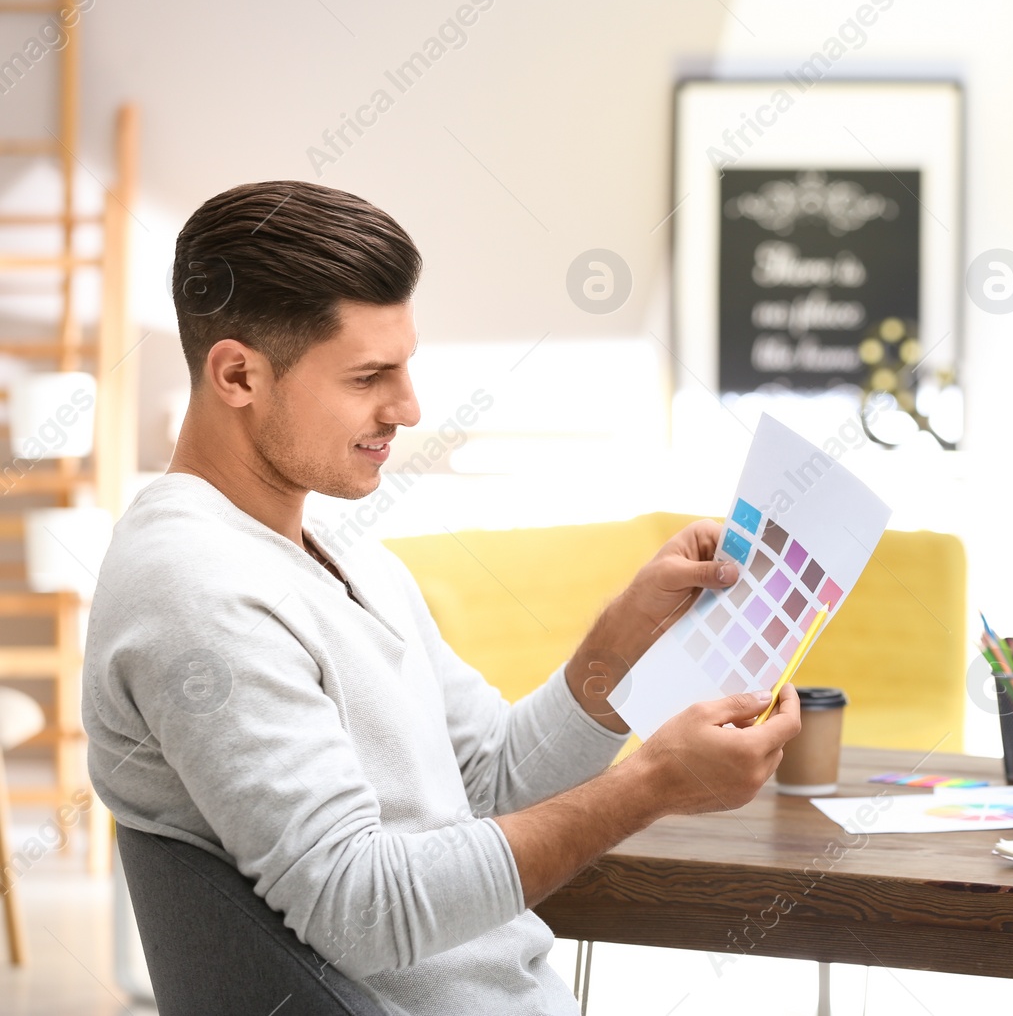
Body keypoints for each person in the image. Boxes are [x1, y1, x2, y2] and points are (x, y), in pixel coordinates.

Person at [82, 181, 801, 1014]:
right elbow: (362, 909)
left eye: (407, 363)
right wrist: (651, 785)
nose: (409, 406)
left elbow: (488, 781)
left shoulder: (342, 554)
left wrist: (620, 641)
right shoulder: (194, 590)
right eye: (367, 376)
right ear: (238, 373)